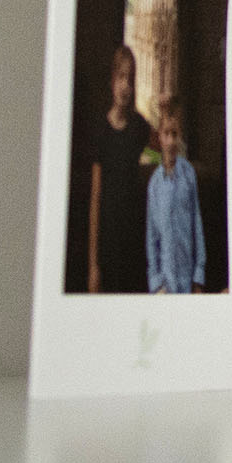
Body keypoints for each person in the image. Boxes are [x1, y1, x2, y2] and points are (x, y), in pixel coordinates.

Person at [83, 43, 154, 294]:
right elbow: (95, 197)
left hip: (134, 237)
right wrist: (93, 265)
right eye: (121, 77)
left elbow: (164, 145)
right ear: (112, 80)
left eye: (131, 79)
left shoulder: (139, 127)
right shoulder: (101, 132)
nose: (126, 85)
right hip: (108, 240)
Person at [144, 96, 207, 295]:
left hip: (187, 276)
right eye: (166, 134)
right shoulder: (155, 184)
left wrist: (198, 276)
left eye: (174, 134)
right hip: (165, 280)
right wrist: (156, 282)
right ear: (160, 138)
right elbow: (152, 235)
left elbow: (197, 225)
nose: (171, 141)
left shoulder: (188, 175)